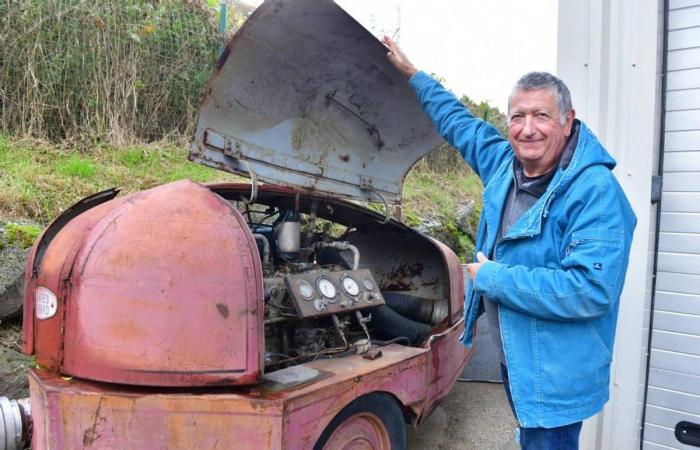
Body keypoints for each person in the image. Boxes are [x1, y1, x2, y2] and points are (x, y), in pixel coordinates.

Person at [382, 36, 636, 450]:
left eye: (541, 115)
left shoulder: (595, 191)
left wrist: (493, 278)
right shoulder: (505, 165)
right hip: (516, 358)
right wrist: (415, 76)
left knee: (546, 441)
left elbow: (590, 290)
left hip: (556, 372)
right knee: (529, 436)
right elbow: (460, 124)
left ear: (568, 121)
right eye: (517, 116)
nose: (527, 128)